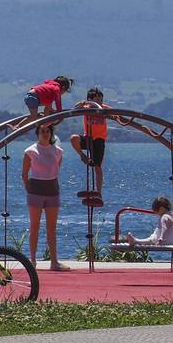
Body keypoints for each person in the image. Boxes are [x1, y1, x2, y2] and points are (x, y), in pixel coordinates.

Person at [23, 122, 69, 270]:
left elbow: (56, 170)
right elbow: (24, 174)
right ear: (37, 134)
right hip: (35, 190)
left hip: (52, 189)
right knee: (34, 227)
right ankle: (33, 261)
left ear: (51, 133)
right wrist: (29, 189)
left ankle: (54, 262)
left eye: (48, 131)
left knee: (51, 228)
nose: (45, 133)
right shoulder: (30, 151)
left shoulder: (58, 151)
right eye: (42, 131)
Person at [70, 86, 109, 202]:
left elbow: (115, 114)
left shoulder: (103, 108)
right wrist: (82, 103)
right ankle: (83, 156)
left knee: (98, 167)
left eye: (101, 100)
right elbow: (75, 109)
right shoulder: (86, 107)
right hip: (88, 138)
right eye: (97, 100)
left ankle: (99, 192)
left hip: (99, 140)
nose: (99, 102)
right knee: (74, 138)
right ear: (90, 99)